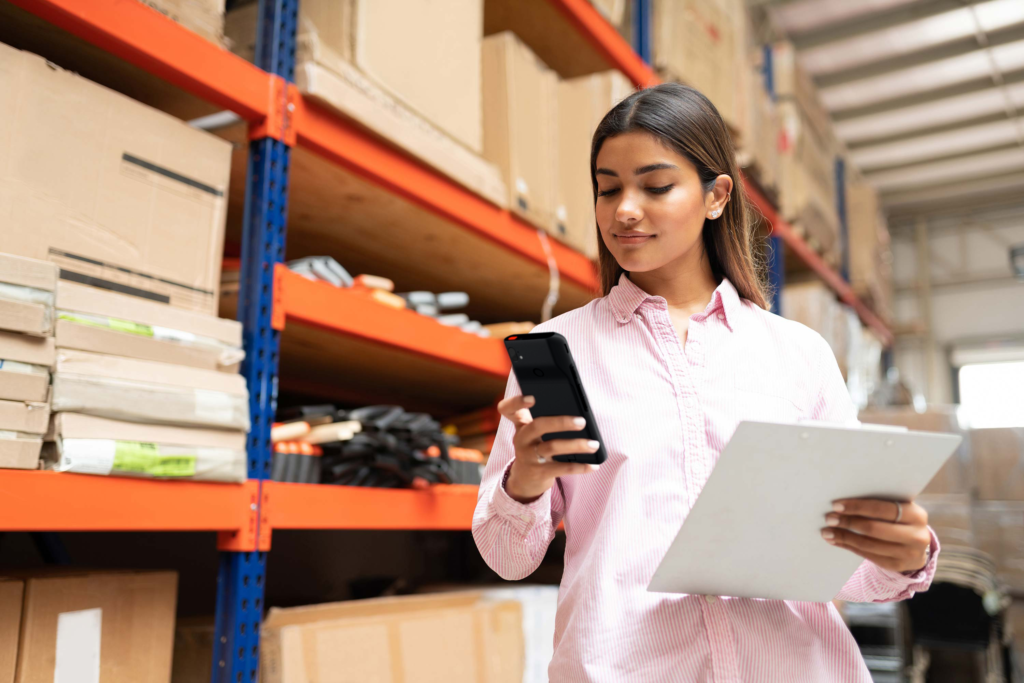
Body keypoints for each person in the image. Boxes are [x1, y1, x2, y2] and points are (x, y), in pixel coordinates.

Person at [472, 83, 936, 683]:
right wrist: (525, 483)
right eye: (607, 188)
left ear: (717, 196)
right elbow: (509, 559)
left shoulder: (796, 354)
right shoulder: (563, 351)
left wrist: (901, 555)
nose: (624, 209)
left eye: (655, 186)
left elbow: (849, 567)